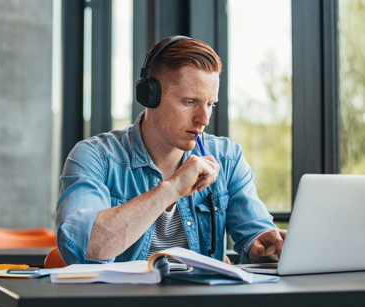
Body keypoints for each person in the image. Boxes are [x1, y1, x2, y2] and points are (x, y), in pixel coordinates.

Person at [55, 36, 286, 265]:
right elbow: (84, 246)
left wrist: (265, 245)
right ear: (149, 97)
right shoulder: (95, 157)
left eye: (210, 104)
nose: (204, 119)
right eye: (189, 102)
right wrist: (173, 187)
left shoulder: (227, 157)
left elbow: (255, 236)